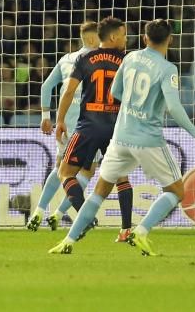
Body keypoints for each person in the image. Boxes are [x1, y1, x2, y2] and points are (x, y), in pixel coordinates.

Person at [50, 20, 195, 256]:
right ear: (170, 40)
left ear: (145, 38)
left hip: (120, 136)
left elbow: (115, 92)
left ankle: (68, 240)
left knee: (99, 191)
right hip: (148, 139)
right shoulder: (168, 69)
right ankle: (140, 231)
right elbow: (174, 107)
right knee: (177, 191)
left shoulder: (131, 58)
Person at [54, 16, 133, 242]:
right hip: (116, 127)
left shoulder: (85, 58)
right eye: (124, 34)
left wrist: (60, 120)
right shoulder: (127, 60)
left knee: (65, 173)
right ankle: (126, 229)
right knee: (121, 177)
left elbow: (69, 91)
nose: (126, 38)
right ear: (113, 36)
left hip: (89, 126)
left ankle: (86, 219)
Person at [28, 22, 98, 232]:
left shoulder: (66, 59)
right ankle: (58, 214)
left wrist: (45, 116)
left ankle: (38, 212)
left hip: (64, 124)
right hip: (90, 125)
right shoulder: (100, 61)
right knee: (86, 173)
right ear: (94, 39)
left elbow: (46, 86)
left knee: (60, 168)